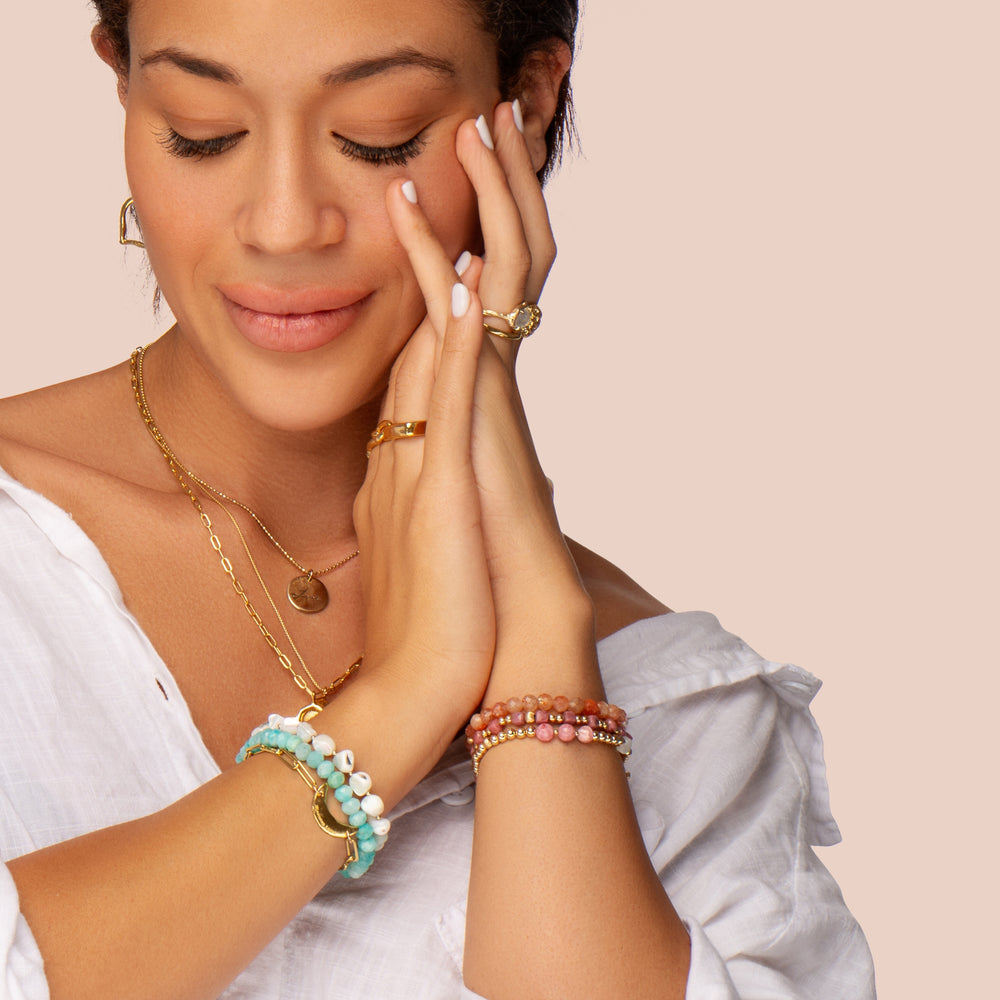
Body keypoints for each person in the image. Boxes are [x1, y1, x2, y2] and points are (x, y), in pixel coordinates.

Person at [0, 1, 875, 997]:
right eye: (204, 131)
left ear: (528, 103)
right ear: (122, 81)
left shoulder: (677, 705)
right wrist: (398, 701)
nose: (283, 224)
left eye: (378, 139)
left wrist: (537, 644)